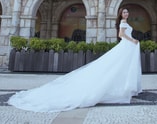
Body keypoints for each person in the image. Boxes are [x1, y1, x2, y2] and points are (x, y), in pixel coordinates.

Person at [8, 7, 142, 112]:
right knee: (117, 66)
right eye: (124, 12)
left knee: (122, 67)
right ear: (121, 14)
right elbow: (121, 34)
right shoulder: (123, 23)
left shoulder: (125, 22)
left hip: (128, 46)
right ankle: (123, 88)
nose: (126, 14)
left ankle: (125, 88)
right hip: (127, 44)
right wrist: (133, 40)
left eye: (127, 12)